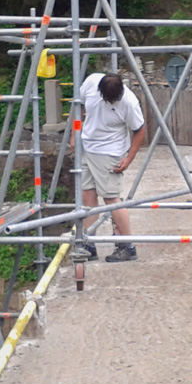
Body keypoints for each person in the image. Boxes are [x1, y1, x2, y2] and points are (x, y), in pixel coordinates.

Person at [73, 72, 145, 262]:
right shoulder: (90, 83)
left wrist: (129, 158)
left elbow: (139, 130)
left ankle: (127, 246)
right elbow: (77, 107)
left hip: (109, 152)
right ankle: (89, 243)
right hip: (87, 147)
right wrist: (74, 134)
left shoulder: (129, 102)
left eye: (114, 99)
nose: (111, 102)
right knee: (87, 195)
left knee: (112, 198)